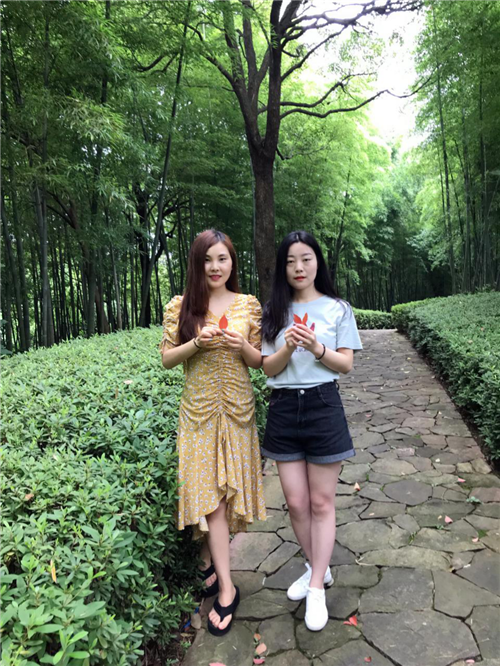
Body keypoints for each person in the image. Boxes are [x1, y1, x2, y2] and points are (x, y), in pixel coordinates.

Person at [160, 229, 266, 636]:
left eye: (222, 258)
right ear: (197, 263)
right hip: (199, 414)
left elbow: (257, 361)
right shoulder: (181, 305)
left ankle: (210, 568)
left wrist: (241, 345)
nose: (215, 266)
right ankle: (226, 587)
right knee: (211, 501)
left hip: (237, 411)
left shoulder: (248, 304)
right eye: (207, 259)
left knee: (222, 498)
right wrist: (197, 344)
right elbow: (167, 359)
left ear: (232, 262)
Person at [261, 230, 362, 632]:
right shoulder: (273, 310)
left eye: (306, 259)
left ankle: (316, 585)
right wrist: (288, 346)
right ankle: (317, 566)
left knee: (321, 502)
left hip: (323, 405)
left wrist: (317, 347)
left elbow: (346, 365)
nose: (299, 267)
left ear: (318, 261)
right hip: (284, 407)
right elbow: (268, 368)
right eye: (290, 261)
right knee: (296, 502)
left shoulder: (338, 308)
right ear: (282, 268)